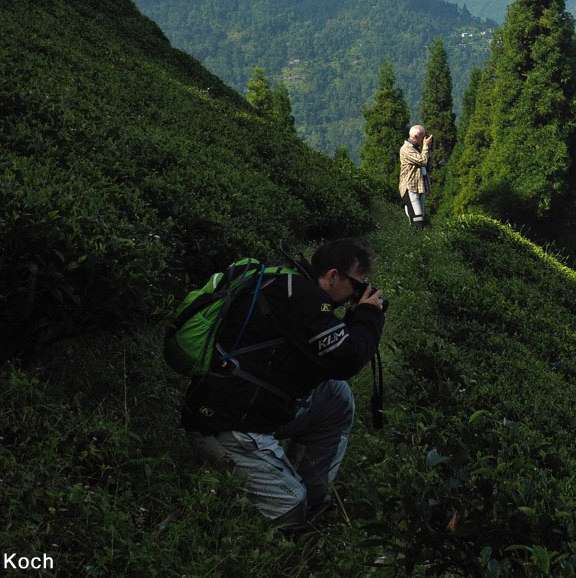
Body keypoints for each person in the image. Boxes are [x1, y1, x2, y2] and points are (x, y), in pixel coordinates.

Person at [180, 238, 386, 529]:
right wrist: (369, 315)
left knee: (335, 398)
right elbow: (346, 359)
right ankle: (290, 506)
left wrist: (356, 316)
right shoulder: (299, 298)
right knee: (290, 509)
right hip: (224, 424)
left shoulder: (289, 285)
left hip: (252, 407)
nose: (356, 296)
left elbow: (327, 355)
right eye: (356, 286)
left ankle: (313, 497)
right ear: (333, 276)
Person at [399, 124, 432, 224]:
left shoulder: (416, 148)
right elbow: (422, 161)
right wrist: (425, 147)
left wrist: (426, 148)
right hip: (410, 188)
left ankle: (416, 237)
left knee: (420, 218)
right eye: (423, 136)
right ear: (416, 137)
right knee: (417, 218)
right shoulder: (406, 149)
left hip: (418, 188)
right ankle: (413, 238)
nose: (424, 139)